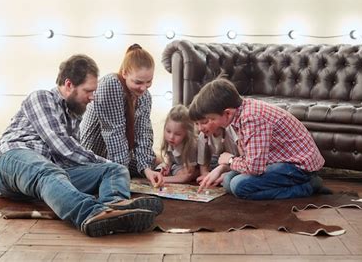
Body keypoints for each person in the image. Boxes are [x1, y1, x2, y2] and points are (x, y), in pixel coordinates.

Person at [0, 54, 163, 237]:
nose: (92, 98)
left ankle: (115, 207)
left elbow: (68, 160)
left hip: (48, 177)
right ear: (69, 85)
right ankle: (93, 214)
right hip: (12, 160)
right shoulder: (41, 98)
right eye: (88, 91)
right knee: (48, 171)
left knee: (115, 170)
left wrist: (109, 166)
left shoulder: (74, 117)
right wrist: (99, 160)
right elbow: (64, 148)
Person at [188, 78, 327, 200]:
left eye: (211, 119)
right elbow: (249, 158)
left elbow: (254, 168)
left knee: (239, 186)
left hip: (298, 167)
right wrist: (221, 169)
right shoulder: (240, 113)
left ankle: (308, 186)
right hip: (276, 162)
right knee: (229, 180)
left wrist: (230, 160)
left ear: (227, 113)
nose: (205, 125)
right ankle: (301, 183)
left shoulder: (252, 119)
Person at [80, 44, 163, 187]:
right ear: (124, 73)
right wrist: (121, 176)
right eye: (138, 82)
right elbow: (114, 134)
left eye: (149, 82)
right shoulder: (111, 84)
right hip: (93, 156)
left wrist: (146, 169)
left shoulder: (145, 97)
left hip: (119, 156)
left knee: (157, 160)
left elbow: (143, 133)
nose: (143, 88)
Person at [157, 105, 198, 183]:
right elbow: (170, 158)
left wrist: (163, 179)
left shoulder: (191, 145)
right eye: (168, 131)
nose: (171, 137)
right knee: (162, 168)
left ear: (186, 134)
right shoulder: (170, 141)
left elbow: (188, 175)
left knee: (182, 173)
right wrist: (167, 167)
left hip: (191, 167)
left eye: (178, 134)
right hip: (179, 165)